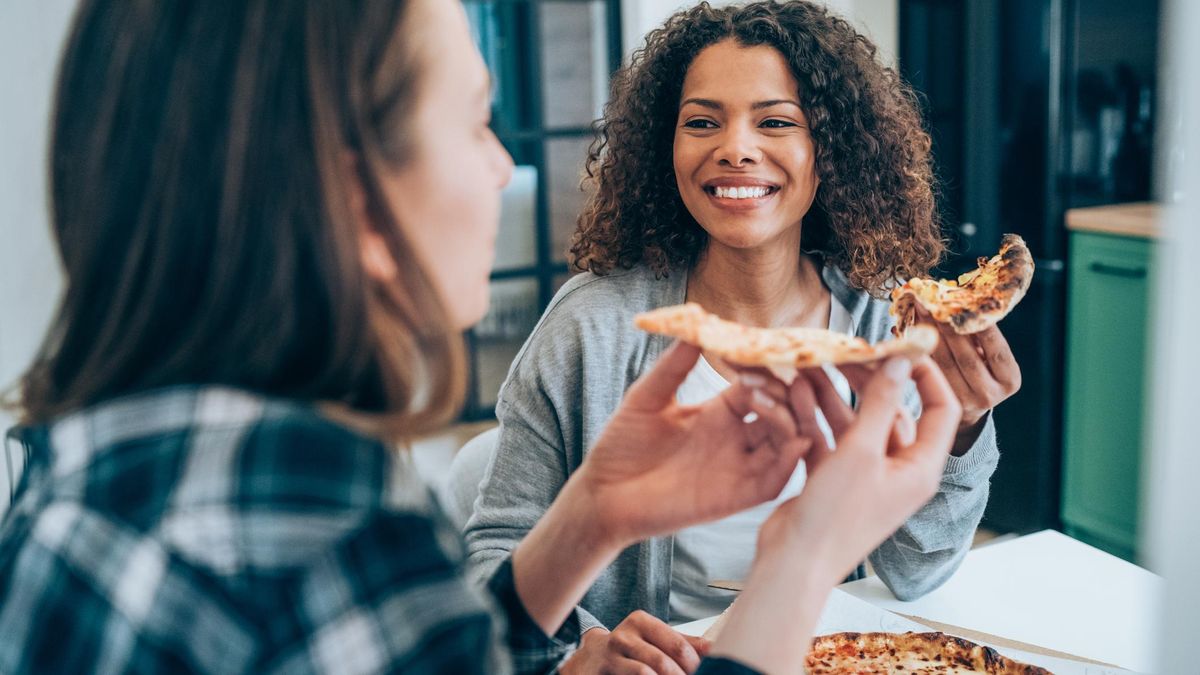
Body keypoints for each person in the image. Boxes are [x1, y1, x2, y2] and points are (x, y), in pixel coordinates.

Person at [0, 0, 962, 673]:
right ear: (351, 194)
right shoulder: (313, 526)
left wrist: (592, 515)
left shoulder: (89, 456)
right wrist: (802, 554)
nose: (505, 168)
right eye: (474, 123)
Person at [464, 2, 1020, 672]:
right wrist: (579, 644)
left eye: (776, 121)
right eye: (701, 122)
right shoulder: (592, 325)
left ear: (829, 151)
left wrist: (960, 427)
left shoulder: (883, 324)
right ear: (664, 148)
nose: (734, 147)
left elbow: (915, 571)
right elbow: (494, 555)